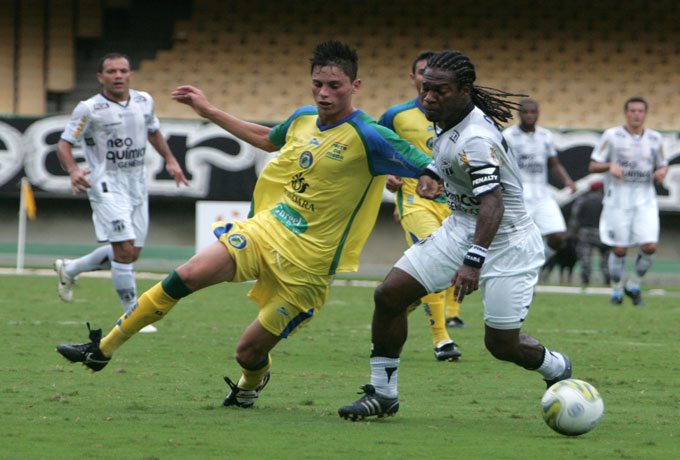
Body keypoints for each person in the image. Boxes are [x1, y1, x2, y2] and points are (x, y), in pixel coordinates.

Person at [55, 41, 438, 408]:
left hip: (308, 267)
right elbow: (266, 139)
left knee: (248, 352)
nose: (324, 93)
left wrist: (431, 177)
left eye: (334, 86)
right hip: (267, 230)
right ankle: (103, 348)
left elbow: (427, 162)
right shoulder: (304, 118)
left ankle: (250, 385)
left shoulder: (369, 135)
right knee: (187, 274)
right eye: (318, 84)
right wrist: (209, 111)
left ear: (355, 86)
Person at [338, 50, 572, 421]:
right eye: (425, 88)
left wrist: (472, 262)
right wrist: (431, 172)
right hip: (461, 227)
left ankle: (556, 367)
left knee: (501, 344)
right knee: (389, 295)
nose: (428, 97)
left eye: (439, 91)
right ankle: (383, 394)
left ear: (464, 90)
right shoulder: (447, 116)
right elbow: (449, 158)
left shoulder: (476, 138)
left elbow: (493, 204)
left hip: (507, 242)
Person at [54, 52, 189, 333]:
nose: (118, 75)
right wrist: (73, 171)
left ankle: (70, 269)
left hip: (136, 184)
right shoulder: (89, 109)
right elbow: (64, 144)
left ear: (130, 75)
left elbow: (153, 132)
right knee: (124, 250)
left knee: (131, 253)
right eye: (111, 71)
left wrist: (171, 160)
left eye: (123, 70)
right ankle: (133, 315)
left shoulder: (144, 101)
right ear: (100, 77)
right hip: (105, 185)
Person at [379, 50, 463, 363]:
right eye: (421, 73)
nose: (426, 79)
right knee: (433, 261)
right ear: (414, 78)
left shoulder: (459, 116)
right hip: (415, 203)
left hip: (454, 206)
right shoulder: (396, 115)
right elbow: (376, 147)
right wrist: (388, 173)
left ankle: (397, 302)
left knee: (440, 274)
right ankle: (442, 340)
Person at [588, 97, 668, 306]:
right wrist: (609, 166)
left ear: (645, 114)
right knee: (620, 249)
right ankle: (616, 292)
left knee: (650, 246)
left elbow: (663, 164)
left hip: (645, 200)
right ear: (626, 113)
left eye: (640, 111)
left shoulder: (655, 138)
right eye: (632, 111)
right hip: (618, 201)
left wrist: (661, 171)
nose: (636, 114)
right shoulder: (612, 136)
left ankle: (634, 284)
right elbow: (593, 165)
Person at [503, 99, 577, 261]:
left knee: (558, 236)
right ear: (519, 114)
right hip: (519, 196)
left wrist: (567, 180)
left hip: (542, 195)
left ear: (538, 114)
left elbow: (553, 163)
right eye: (525, 112)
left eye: (533, 112)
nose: (529, 115)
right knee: (519, 240)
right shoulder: (508, 136)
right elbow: (501, 164)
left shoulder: (545, 135)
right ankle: (518, 271)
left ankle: (535, 263)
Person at [567, 181, 610, 286]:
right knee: (606, 259)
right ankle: (608, 278)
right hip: (602, 234)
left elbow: (575, 218)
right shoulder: (605, 201)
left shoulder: (582, 200)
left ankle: (585, 279)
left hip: (585, 233)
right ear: (600, 189)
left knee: (585, 258)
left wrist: (572, 233)